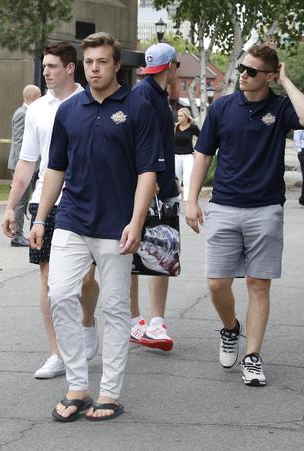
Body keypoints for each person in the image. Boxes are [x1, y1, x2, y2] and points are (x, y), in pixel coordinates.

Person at [28, 32, 163, 421]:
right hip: (72, 219)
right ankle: (77, 385)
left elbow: (148, 171)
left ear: (116, 64)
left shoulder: (138, 107)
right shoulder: (70, 110)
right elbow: (55, 169)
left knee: (117, 309)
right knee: (59, 295)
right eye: (89, 62)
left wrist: (136, 222)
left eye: (102, 62)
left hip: (117, 225)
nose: (94, 69)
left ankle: (110, 393)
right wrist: (40, 218)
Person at [185, 44, 304, 386]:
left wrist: (286, 82)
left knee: (258, 285)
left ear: (269, 77)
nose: (243, 75)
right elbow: (202, 155)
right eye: (242, 69)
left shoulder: (280, 108)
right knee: (216, 283)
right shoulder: (223, 107)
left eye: (252, 72)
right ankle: (231, 328)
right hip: (224, 206)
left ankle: (253, 356)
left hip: (266, 209)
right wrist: (191, 201)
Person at [2, 42, 99, 380]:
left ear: (71, 68)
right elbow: (28, 161)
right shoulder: (37, 110)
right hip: (46, 199)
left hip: (87, 199)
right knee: (47, 279)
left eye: (53, 66)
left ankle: (87, 322)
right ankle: (57, 353)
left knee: (85, 279)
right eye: (44, 66)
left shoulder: (89, 101)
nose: (46, 72)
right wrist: (11, 206)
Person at [129, 42, 180, 352]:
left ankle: (156, 320)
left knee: (163, 251)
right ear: (172, 65)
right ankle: (135, 319)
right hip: (147, 187)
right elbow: (133, 140)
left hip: (163, 186)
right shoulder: (143, 94)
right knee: (138, 252)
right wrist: (147, 177)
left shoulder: (159, 94)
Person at [7, 84, 41, 247]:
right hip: (20, 165)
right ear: (33, 98)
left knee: (25, 200)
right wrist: (25, 166)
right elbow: (20, 141)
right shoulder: (23, 114)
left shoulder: (29, 113)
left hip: (28, 166)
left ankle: (19, 233)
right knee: (20, 202)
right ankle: (17, 236)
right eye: (39, 96)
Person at [173, 107, 200, 201]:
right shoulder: (175, 127)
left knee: (187, 178)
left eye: (181, 116)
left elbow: (201, 138)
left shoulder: (193, 127)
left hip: (188, 156)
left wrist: (196, 150)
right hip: (176, 156)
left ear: (186, 116)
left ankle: (187, 198)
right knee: (177, 177)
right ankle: (177, 195)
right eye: (178, 116)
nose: (178, 118)